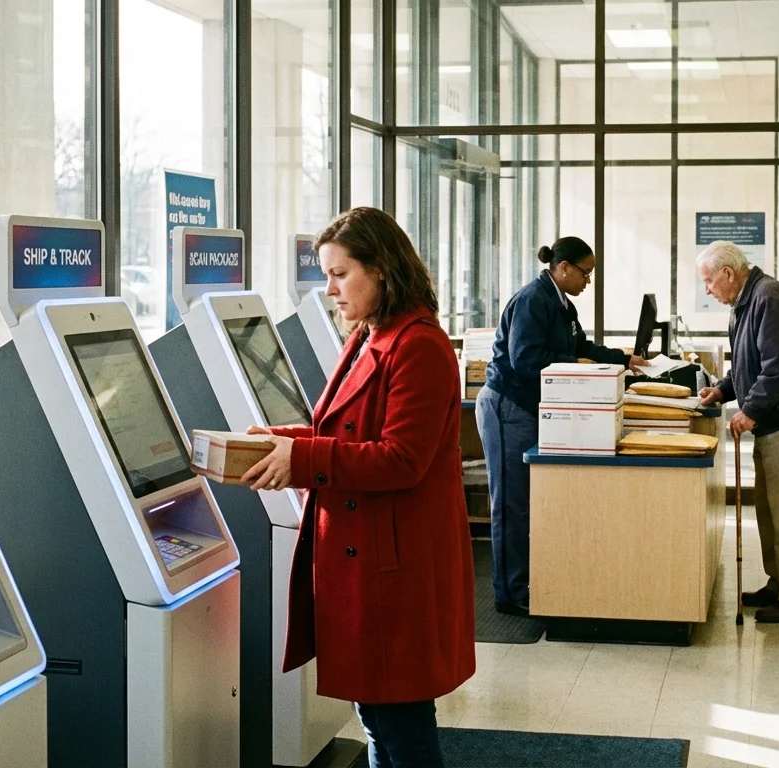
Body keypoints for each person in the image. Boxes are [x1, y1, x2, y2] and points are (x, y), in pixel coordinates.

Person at [243, 207, 474, 768]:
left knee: (399, 724)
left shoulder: (418, 345)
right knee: (382, 719)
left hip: (391, 568)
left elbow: (401, 460)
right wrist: (270, 442)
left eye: (340, 274)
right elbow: (342, 429)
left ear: (383, 270)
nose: (329, 290)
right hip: (367, 558)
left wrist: (301, 458)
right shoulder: (372, 334)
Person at [477, 236, 645, 616]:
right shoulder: (533, 300)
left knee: (530, 501)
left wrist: (622, 358)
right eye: (585, 273)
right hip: (508, 406)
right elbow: (525, 360)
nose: (588, 281)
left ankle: (525, 581)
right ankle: (510, 593)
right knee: (512, 503)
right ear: (564, 267)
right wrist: (577, 369)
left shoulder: (562, 304)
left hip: (531, 407)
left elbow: (579, 346)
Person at [697, 241, 779, 624]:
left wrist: (750, 410)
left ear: (728, 274)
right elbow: (749, 364)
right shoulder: (746, 302)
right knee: (771, 511)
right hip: (776, 422)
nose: (707, 290)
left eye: (708, 281)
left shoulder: (768, 299)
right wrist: (723, 390)